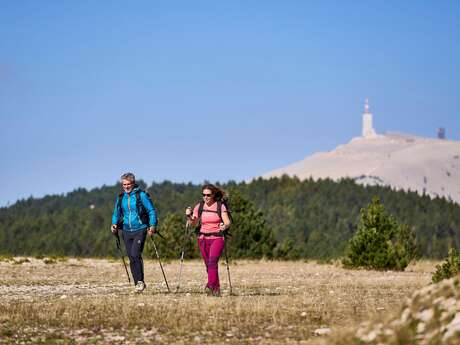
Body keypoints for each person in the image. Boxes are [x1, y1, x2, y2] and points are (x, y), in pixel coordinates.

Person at [111, 172, 157, 293]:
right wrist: (114, 224)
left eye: (128, 184)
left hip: (140, 229)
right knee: (131, 257)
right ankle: (138, 283)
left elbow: (151, 210)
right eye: (124, 184)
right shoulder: (121, 197)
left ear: (133, 183)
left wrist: (152, 225)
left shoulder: (141, 195)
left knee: (136, 253)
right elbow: (116, 213)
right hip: (126, 230)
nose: (126, 186)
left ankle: (140, 281)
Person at [185, 184, 231, 296]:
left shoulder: (220, 206)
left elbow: (228, 222)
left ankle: (210, 285)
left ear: (213, 195)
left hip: (217, 238)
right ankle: (216, 290)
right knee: (209, 266)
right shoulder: (199, 206)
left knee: (212, 263)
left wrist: (224, 227)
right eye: (204, 195)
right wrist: (189, 216)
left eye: (208, 195)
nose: (206, 197)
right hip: (202, 238)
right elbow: (193, 222)